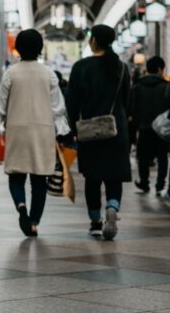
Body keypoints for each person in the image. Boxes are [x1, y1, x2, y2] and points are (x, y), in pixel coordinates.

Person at [0, 30, 70, 237]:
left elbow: (0, 105)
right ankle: (34, 223)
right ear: (40, 48)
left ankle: (21, 207)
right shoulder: (49, 74)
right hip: (43, 131)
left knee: (16, 175)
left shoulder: (11, 73)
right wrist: (62, 132)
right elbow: (58, 108)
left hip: (17, 130)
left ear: (18, 47)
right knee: (39, 180)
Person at [66, 25, 131, 240]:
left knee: (92, 178)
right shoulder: (121, 67)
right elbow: (125, 102)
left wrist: (71, 128)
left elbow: (72, 103)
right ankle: (112, 206)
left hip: (90, 132)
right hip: (116, 130)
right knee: (114, 176)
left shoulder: (81, 67)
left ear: (93, 41)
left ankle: (95, 221)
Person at [129, 56, 170, 195]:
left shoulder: (137, 87)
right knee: (162, 157)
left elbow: (132, 109)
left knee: (143, 157)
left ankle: (144, 182)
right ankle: (160, 184)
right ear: (159, 69)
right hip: (162, 130)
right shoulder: (166, 87)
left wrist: (137, 125)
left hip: (144, 128)